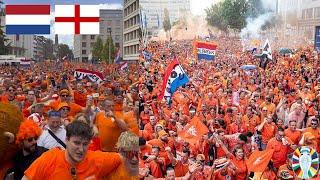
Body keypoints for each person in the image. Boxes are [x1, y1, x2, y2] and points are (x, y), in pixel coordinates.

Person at [22, 121, 122, 179]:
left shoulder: (96, 160)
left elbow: (124, 158)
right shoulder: (50, 158)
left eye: (85, 144)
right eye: (77, 143)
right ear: (66, 140)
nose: (81, 149)